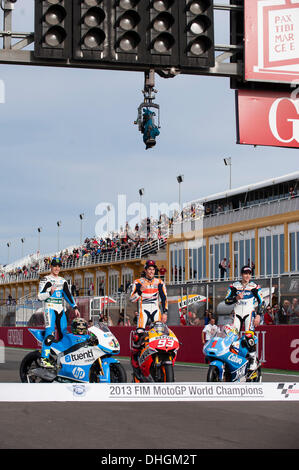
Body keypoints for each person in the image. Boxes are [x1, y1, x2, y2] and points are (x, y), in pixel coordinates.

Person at [38, 257, 80, 368]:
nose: (57, 268)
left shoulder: (63, 280)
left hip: (60, 309)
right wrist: (50, 292)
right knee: (50, 332)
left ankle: (63, 359)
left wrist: (75, 307)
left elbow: (68, 295)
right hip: (49, 308)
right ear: (50, 266)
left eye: (58, 266)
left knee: (64, 333)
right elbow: (39, 296)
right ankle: (44, 358)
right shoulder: (45, 279)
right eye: (54, 266)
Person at [130, 259, 168, 378]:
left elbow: (164, 298)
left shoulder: (159, 282)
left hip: (156, 309)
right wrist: (140, 292)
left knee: (159, 334)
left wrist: (165, 312)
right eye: (149, 269)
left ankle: (159, 358)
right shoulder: (138, 282)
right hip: (143, 309)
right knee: (139, 335)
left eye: (153, 269)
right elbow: (131, 299)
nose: (151, 271)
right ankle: (135, 361)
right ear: (145, 270)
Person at [224, 265, 263, 371]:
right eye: (245, 273)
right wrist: (236, 298)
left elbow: (261, 302)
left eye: (249, 273)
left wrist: (259, 315)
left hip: (249, 313)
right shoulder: (234, 286)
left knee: (249, 335)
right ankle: (232, 359)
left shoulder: (254, 287)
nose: (247, 276)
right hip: (237, 314)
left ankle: (253, 359)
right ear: (241, 274)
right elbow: (226, 301)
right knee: (231, 336)